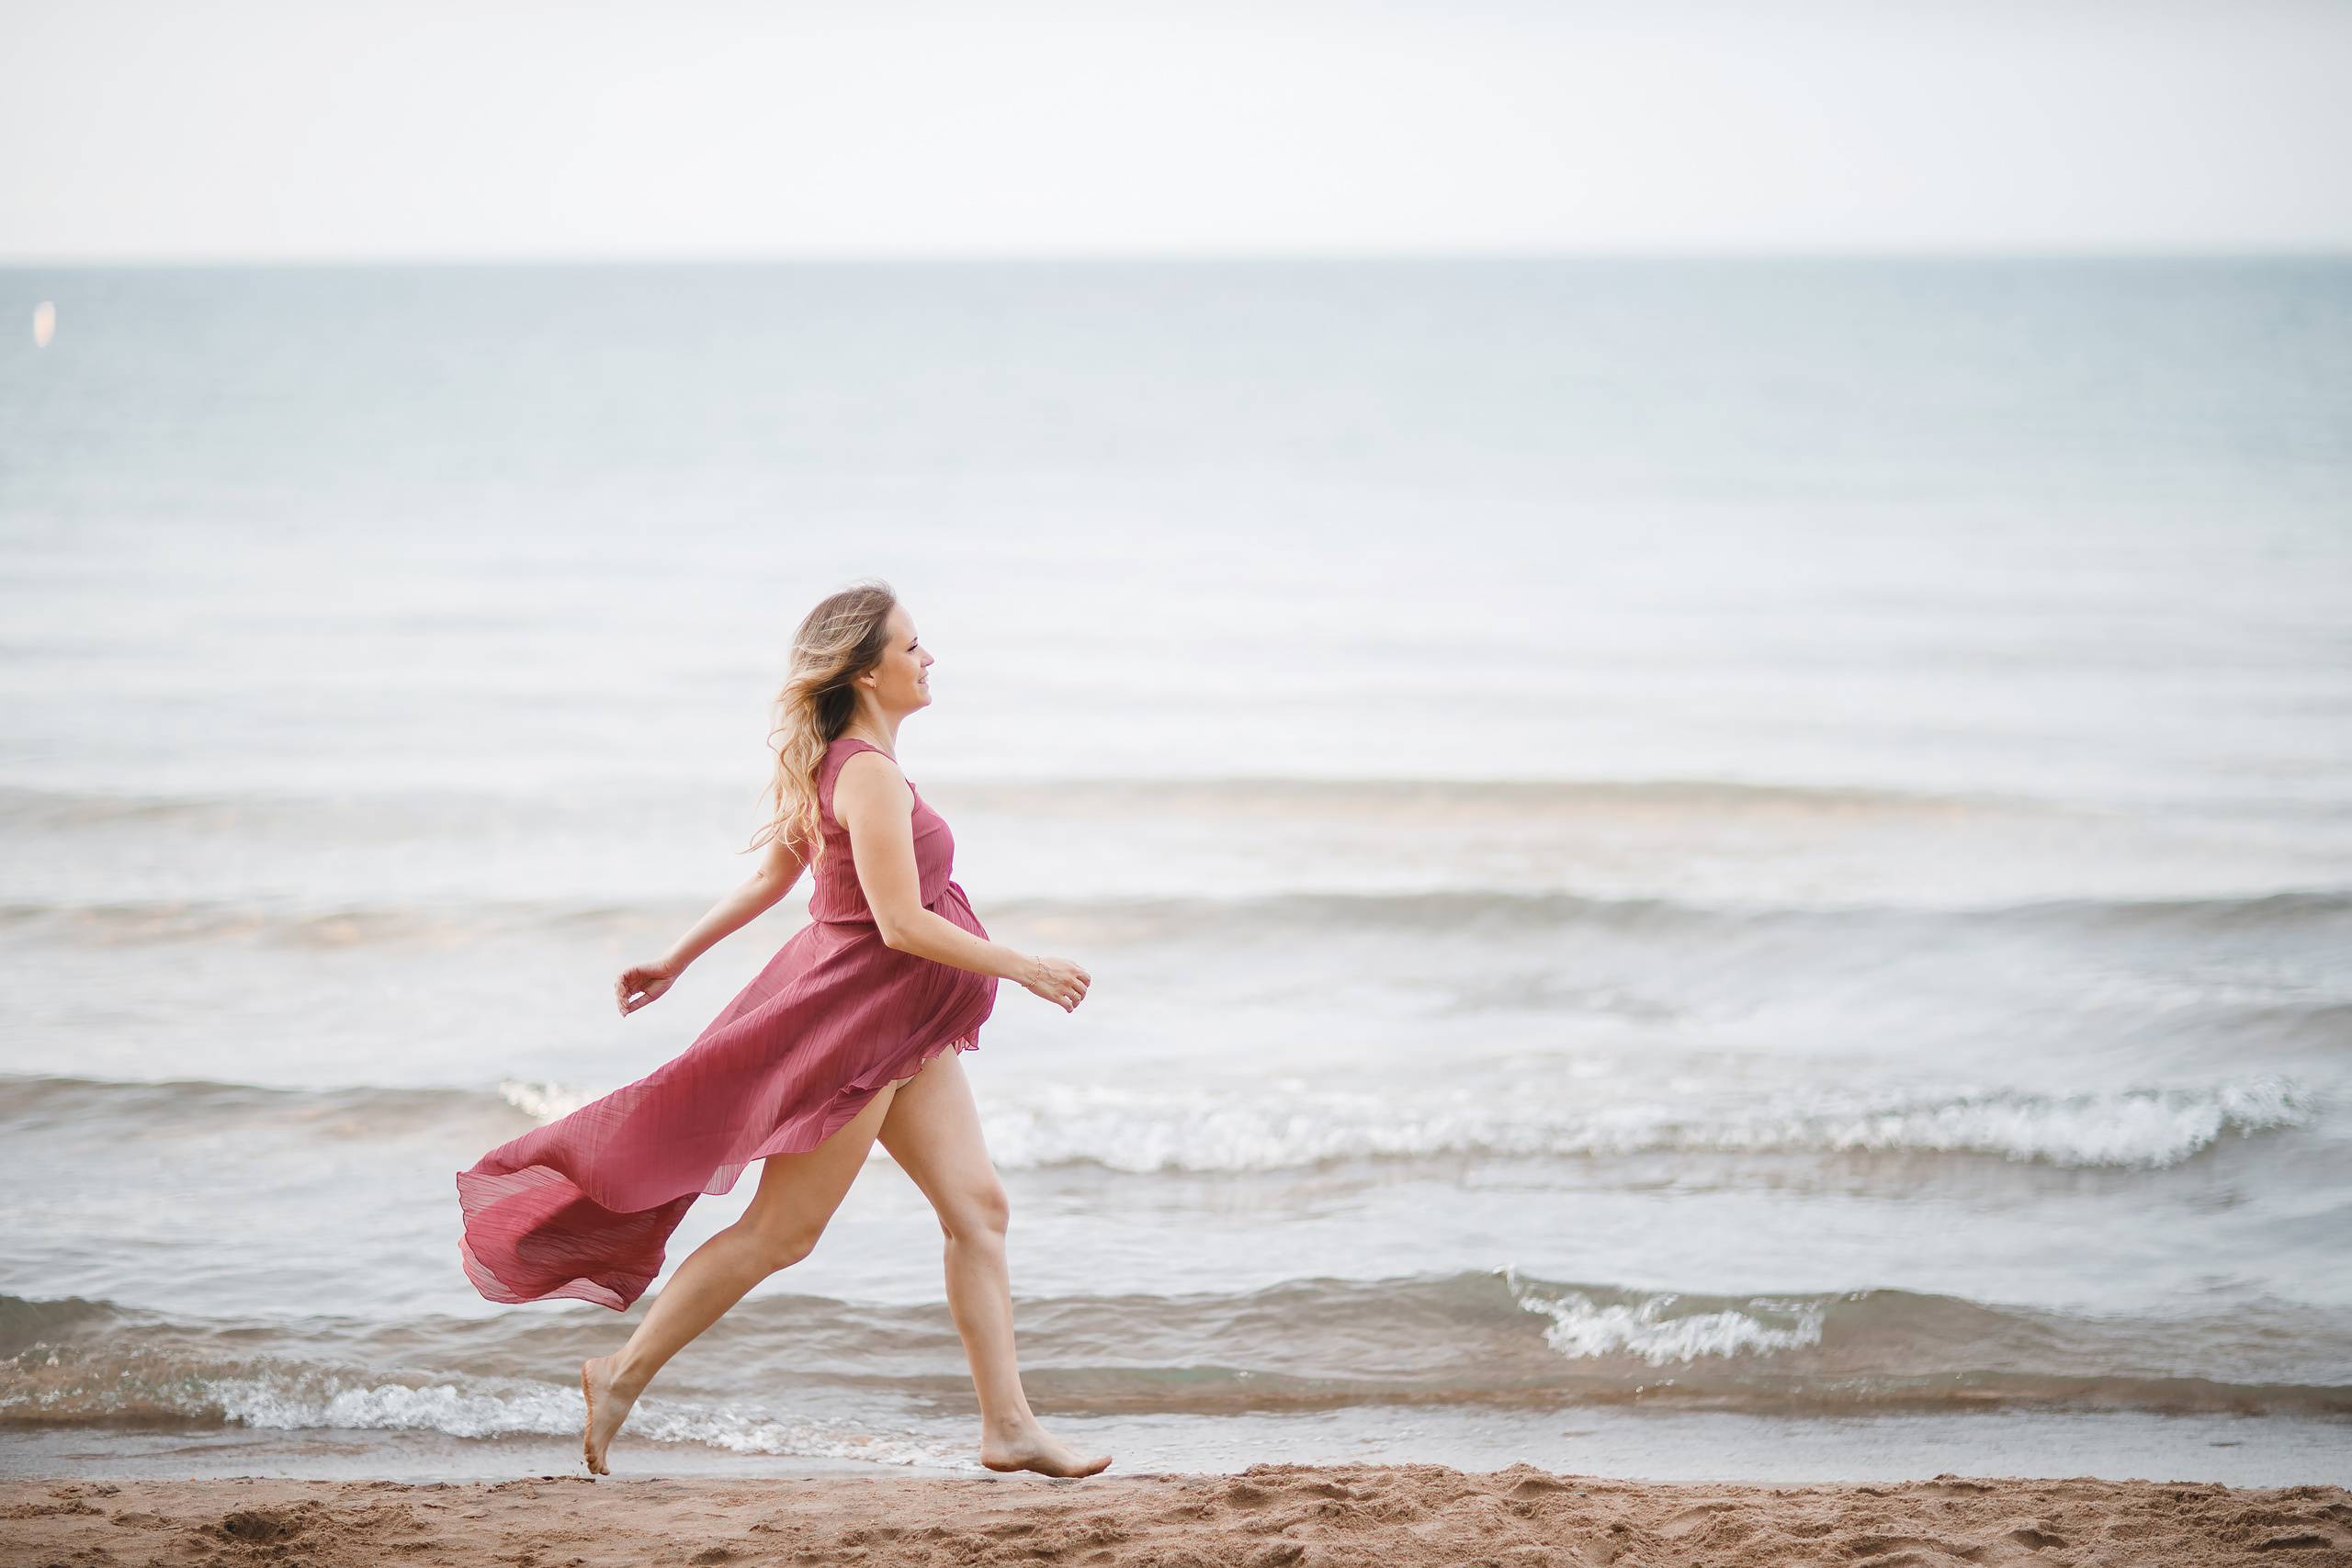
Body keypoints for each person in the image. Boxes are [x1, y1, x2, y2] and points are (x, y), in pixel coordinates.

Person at [455, 580, 1108, 1479]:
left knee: (978, 1210)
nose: (927, 659)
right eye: (911, 646)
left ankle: (1009, 1428)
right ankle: (620, 1374)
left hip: (902, 1024)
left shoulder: (844, 763)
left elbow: (771, 881)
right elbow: (899, 925)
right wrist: (1023, 966)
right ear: (867, 670)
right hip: (858, 1024)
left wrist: (675, 959)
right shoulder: (866, 774)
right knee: (781, 1232)